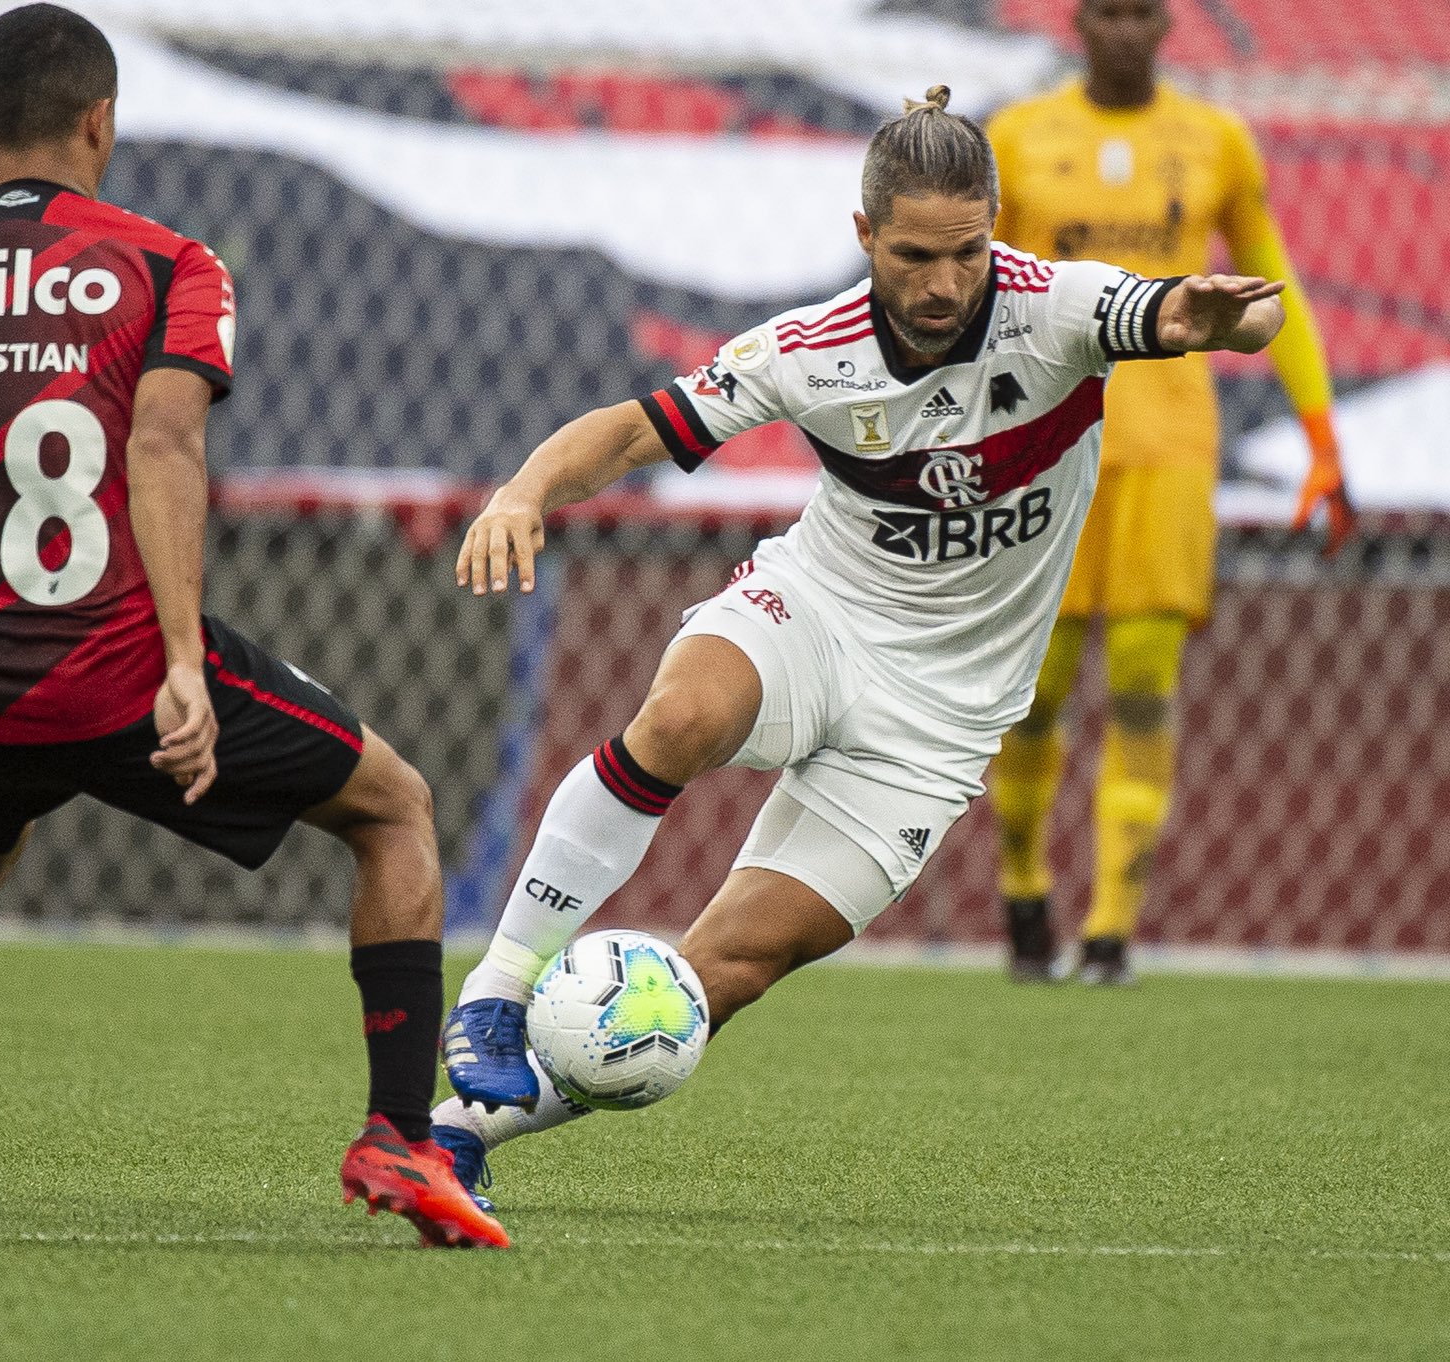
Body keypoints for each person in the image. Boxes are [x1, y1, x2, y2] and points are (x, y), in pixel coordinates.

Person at [0, 4, 505, 1250]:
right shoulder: (169, 263)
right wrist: (181, 667)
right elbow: (164, 441)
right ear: (100, 121)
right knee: (394, 808)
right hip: (111, 670)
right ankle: (397, 1136)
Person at [429, 87, 1284, 1200]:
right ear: (863, 236)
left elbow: (1198, 315)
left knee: (712, 980)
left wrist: (1225, 319)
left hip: (942, 715)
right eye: (915, 255)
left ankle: (450, 1140)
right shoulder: (807, 349)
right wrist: (525, 490)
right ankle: (495, 988)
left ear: (994, 231)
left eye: (967, 252)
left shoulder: (1061, 307)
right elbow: (637, 427)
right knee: (681, 716)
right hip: (820, 613)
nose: (942, 284)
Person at [983, 0, 1352, 985]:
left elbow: (1272, 284)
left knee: (1143, 691)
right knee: (1032, 697)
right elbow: (975, 298)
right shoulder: (1015, 140)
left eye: (1139, 14)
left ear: (1163, 26)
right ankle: (1023, 885)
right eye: (1104, 13)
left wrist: (1320, 436)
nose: (1121, 31)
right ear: (1075, 24)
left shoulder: (1214, 141)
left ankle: (1108, 931)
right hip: (1043, 446)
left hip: (1170, 450)